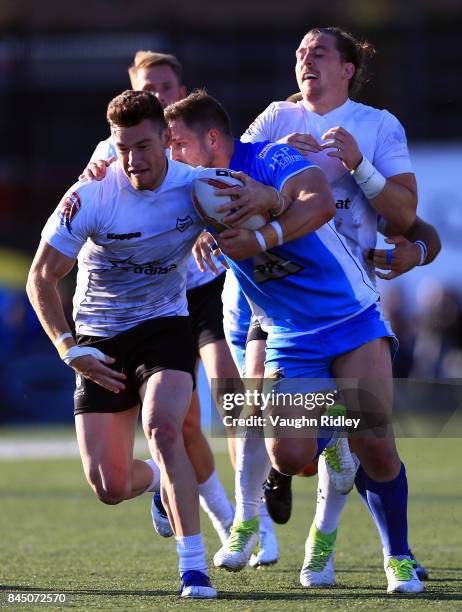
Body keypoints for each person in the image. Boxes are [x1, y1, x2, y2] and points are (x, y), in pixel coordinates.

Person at [164, 89, 424, 594]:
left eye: (178, 144)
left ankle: (399, 556)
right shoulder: (189, 187)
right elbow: (135, 202)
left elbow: (320, 200)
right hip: (288, 332)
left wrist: (266, 224)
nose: (172, 156)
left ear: (212, 139)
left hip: (350, 314)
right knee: (288, 458)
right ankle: (335, 438)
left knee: (375, 441)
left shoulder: (269, 155)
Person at [240, 26, 440, 588]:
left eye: (318, 52)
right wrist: (279, 163)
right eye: (300, 53)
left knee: (373, 438)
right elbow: (235, 176)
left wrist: (359, 167)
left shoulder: (377, 125)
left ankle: (389, 553)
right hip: (281, 304)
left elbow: (406, 216)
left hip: (353, 305)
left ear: (347, 68)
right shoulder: (276, 120)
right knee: (284, 446)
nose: (305, 60)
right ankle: (286, 477)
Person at [26, 90, 226, 598]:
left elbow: (266, 208)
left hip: (164, 326)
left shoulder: (197, 188)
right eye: (122, 149)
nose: (133, 160)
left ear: (166, 140)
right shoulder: (92, 195)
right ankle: (161, 483)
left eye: (142, 146)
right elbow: (41, 278)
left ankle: (194, 570)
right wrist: (68, 347)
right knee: (109, 487)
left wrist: (241, 223)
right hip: (99, 337)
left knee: (163, 426)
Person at [83, 50, 279, 564]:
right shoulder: (115, 154)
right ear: (133, 88)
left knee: (231, 392)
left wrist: (265, 206)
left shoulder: (190, 140)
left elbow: (230, 185)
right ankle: (227, 522)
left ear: (179, 86)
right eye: (149, 86)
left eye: (166, 85)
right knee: (182, 425)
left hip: (205, 283)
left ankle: (249, 515)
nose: (159, 94)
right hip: (146, 302)